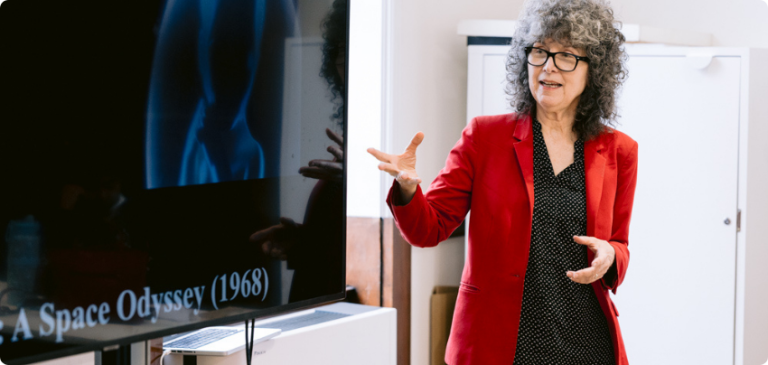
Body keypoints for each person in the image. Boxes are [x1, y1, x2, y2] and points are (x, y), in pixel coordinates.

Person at [367, 0, 637, 364]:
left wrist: (610, 255)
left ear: (595, 71)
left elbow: (619, 243)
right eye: (539, 51)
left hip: (585, 343)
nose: (548, 66)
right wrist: (408, 190)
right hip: (498, 342)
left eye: (567, 56)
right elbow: (427, 230)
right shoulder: (484, 137)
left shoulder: (619, 150)